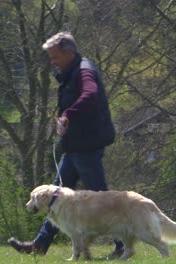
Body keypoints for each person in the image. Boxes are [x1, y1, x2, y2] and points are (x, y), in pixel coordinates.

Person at [8, 32, 124, 258]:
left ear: (68, 53)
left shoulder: (84, 71)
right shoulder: (70, 72)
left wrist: (68, 115)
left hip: (87, 148)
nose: (52, 62)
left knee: (102, 199)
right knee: (54, 197)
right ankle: (40, 245)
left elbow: (90, 95)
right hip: (73, 148)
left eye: (55, 57)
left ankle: (121, 245)